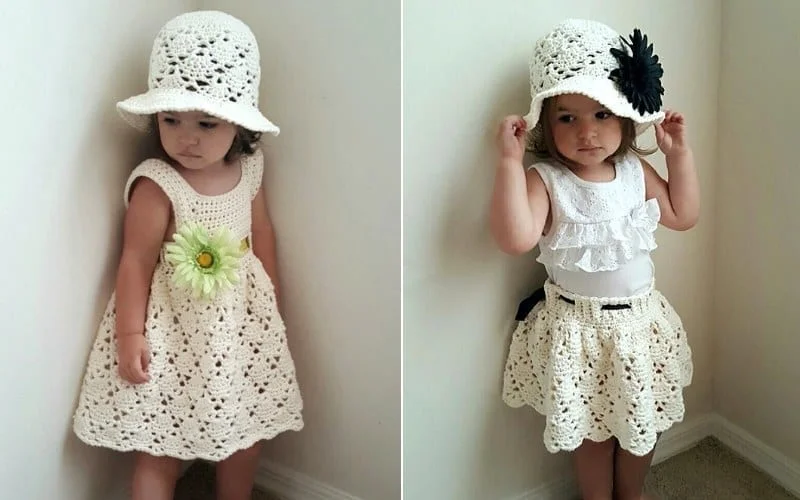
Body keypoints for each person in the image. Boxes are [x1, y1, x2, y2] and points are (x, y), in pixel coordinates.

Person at [71, 10, 304, 500]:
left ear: (239, 126)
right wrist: (131, 334)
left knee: (247, 428)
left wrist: (273, 303)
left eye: (206, 122)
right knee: (160, 444)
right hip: (172, 329)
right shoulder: (158, 183)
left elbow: (263, 232)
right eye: (170, 119)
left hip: (238, 322)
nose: (186, 137)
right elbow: (135, 260)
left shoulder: (251, 171)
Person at [491, 19, 698, 500]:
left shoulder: (633, 170)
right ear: (546, 122)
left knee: (639, 425)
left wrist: (680, 156)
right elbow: (515, 237)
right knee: (592, 432)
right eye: (568, 118)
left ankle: (632, 493)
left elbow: (683, 215)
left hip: (640, 325)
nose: (587, 132)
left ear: (625, 116)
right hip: (579, 331)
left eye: (602, 114)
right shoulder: (545, 179)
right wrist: (506, 164)